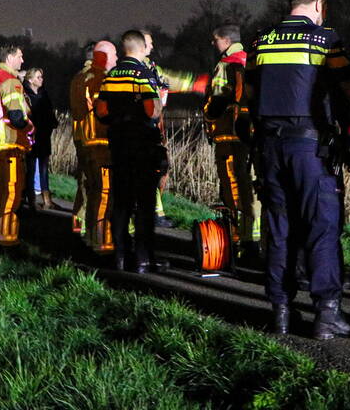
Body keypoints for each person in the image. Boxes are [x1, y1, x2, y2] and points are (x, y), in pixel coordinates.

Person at [247, 0, 350, 339]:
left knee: (279, 228)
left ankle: (281, 310)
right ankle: (326, 312)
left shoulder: (260, 42)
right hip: (310, 147)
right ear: (318, 7)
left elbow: (248, 94)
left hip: (268, 147)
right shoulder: (326, 39)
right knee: (321, 226)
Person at [95, 30, 167, 273]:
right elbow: (153, 110)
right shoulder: (144, 74)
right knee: (145, 205)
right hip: (143, 146)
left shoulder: (111, 75)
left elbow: (101, 110)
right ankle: (144, 260)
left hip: (118, 145)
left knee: (122, 203)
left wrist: (118, 119)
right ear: (139, 48)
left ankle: (121, 257)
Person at [202, 23, 262, 263]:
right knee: (251, 189)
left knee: (233, 187)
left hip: (228, 136)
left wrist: (207, 113)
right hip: (249, 135)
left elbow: (216, 102)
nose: (213, 44)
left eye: (215, 40)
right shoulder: (251, 59)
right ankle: (254, 238)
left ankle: (238, 241)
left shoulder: (226, 64)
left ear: (225, 40)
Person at [140, 29, 208, 227]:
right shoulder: (139, 70)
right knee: (152, 170)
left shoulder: (152, 68)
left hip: (155, 128)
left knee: (161, 170)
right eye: (149, 43)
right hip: (145, 129)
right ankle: (154, 215)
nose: (153, 46)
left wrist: (195, 83)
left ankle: (152, 212)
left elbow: (170, 80)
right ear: (140, 45)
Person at [0, 45, 33, 246]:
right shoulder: (10, 82)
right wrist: (29, 126)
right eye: (20, 56)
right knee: (12, 190)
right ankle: (7, 236)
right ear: (10, 57)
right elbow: (17, 117)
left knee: (0, 189)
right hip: (10, 143)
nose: (23, 60)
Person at [79, 41, 118, 254]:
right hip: (102, 142)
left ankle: (93, 236)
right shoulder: (101, 80)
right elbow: (106, 112)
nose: (117, 60)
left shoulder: (81, 78)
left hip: (88, 141)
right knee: (105, 193)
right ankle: (103, 240)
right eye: (113, 56)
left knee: (95, 192)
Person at [68, 42, 95, 236]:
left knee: (83, 182)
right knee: (91, 184)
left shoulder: (77, 77)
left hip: (80, 135)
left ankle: (78, 223)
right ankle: (87, 226)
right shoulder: (93, 78)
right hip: (93, 137)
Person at [23, 67, 58, 211]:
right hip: (31, 134)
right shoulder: (25, 94)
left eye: (41, 77)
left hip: (44, 134)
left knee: (43, 168)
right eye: (38, 77)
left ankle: (46, 199)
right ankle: (31, 199)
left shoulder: (44, 94)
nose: (41, 80)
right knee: (30, 168)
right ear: (30, 79)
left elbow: (49, 112)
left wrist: (52, 123)